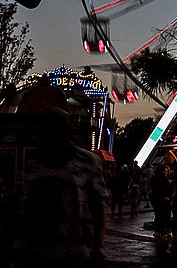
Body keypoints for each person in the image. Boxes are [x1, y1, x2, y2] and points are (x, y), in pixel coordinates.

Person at [13, 107, 107, 268]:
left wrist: (98, 245)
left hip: (73, 253)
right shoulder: (32, 165)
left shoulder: (86, 162)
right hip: (36, 252)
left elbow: (98, 206)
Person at [149, 164, 172, 239]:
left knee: (158, 215)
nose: (166, 172)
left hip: (156, 198)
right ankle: (162, 231)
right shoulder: (164, 180)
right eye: (165, 171)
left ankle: (158, 231)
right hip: (163, 199)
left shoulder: (153, 178)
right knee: (163, 215)